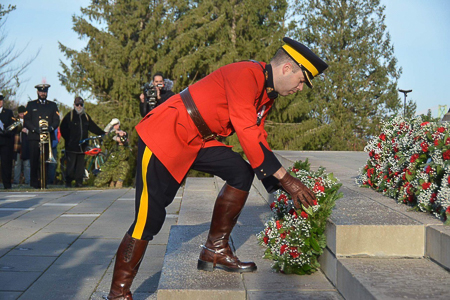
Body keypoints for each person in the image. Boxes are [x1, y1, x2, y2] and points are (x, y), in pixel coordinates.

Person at [106, 37, 328, 299]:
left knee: (240, 172)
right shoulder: (248, 75)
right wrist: (286, 178)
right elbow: (245, 131)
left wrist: (281, 181)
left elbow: (257, 135)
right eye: (302, 80)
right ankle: (118, 294)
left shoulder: (267, 93)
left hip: (197, 139)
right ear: (287, 68)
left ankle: (215, 249)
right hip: (166, 132)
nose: (301, 88)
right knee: (149, 219)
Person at [60, 97, 105, 187]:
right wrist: (69, 140)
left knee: (80, 165)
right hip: (71, 146)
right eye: (77, 105)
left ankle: (79, 182)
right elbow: (62, 129)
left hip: (83, 146)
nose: (79, 106)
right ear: (74, 105)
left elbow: (93, 127)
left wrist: (102, 133)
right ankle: (68, 182)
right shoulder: (70, 116)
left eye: (81, 105)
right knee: (71, 166)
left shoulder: (86, 117)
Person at [24, 84, 60, 189]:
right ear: (37, 92)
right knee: (34, 160)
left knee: (46, 160)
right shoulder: (31, 105)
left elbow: (56, 120)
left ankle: (45, 182)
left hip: (47, 136)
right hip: (34, 136)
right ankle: (34, 182)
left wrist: (51, 128)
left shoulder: (52, 105)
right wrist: (35, 129)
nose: (43, 94)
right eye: (41, 92)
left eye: (45, 92)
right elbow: (27, 120)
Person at [94, 118, 130, 188]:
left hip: (117, 170)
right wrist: (115, 132)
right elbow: (105, 139)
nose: (120, 138)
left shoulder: (126, 148)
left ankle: (118, 182)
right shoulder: (112, 145)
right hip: (109, 168)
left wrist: (121, 145)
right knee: (97, 183)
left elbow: (122, 157)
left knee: (124, 164)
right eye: (119, 136)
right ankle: (110, 182)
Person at [0, 94, 15, 189]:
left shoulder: (8, 112)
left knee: (6, 164)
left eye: (1, 100)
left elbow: (13, 126)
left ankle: (7, 185)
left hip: (5, 141)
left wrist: (6, 131)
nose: (0, 102)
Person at [13, 105, 30, 185]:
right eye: (20, 113)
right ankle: (16, 181)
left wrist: (27, 131)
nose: (22, 115)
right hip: (17, 145)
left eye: (23, 113)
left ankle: (28, 181)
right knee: (17, 164)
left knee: (27, 164)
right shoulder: (15, 121)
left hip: (26, 145)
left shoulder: (28, 121)